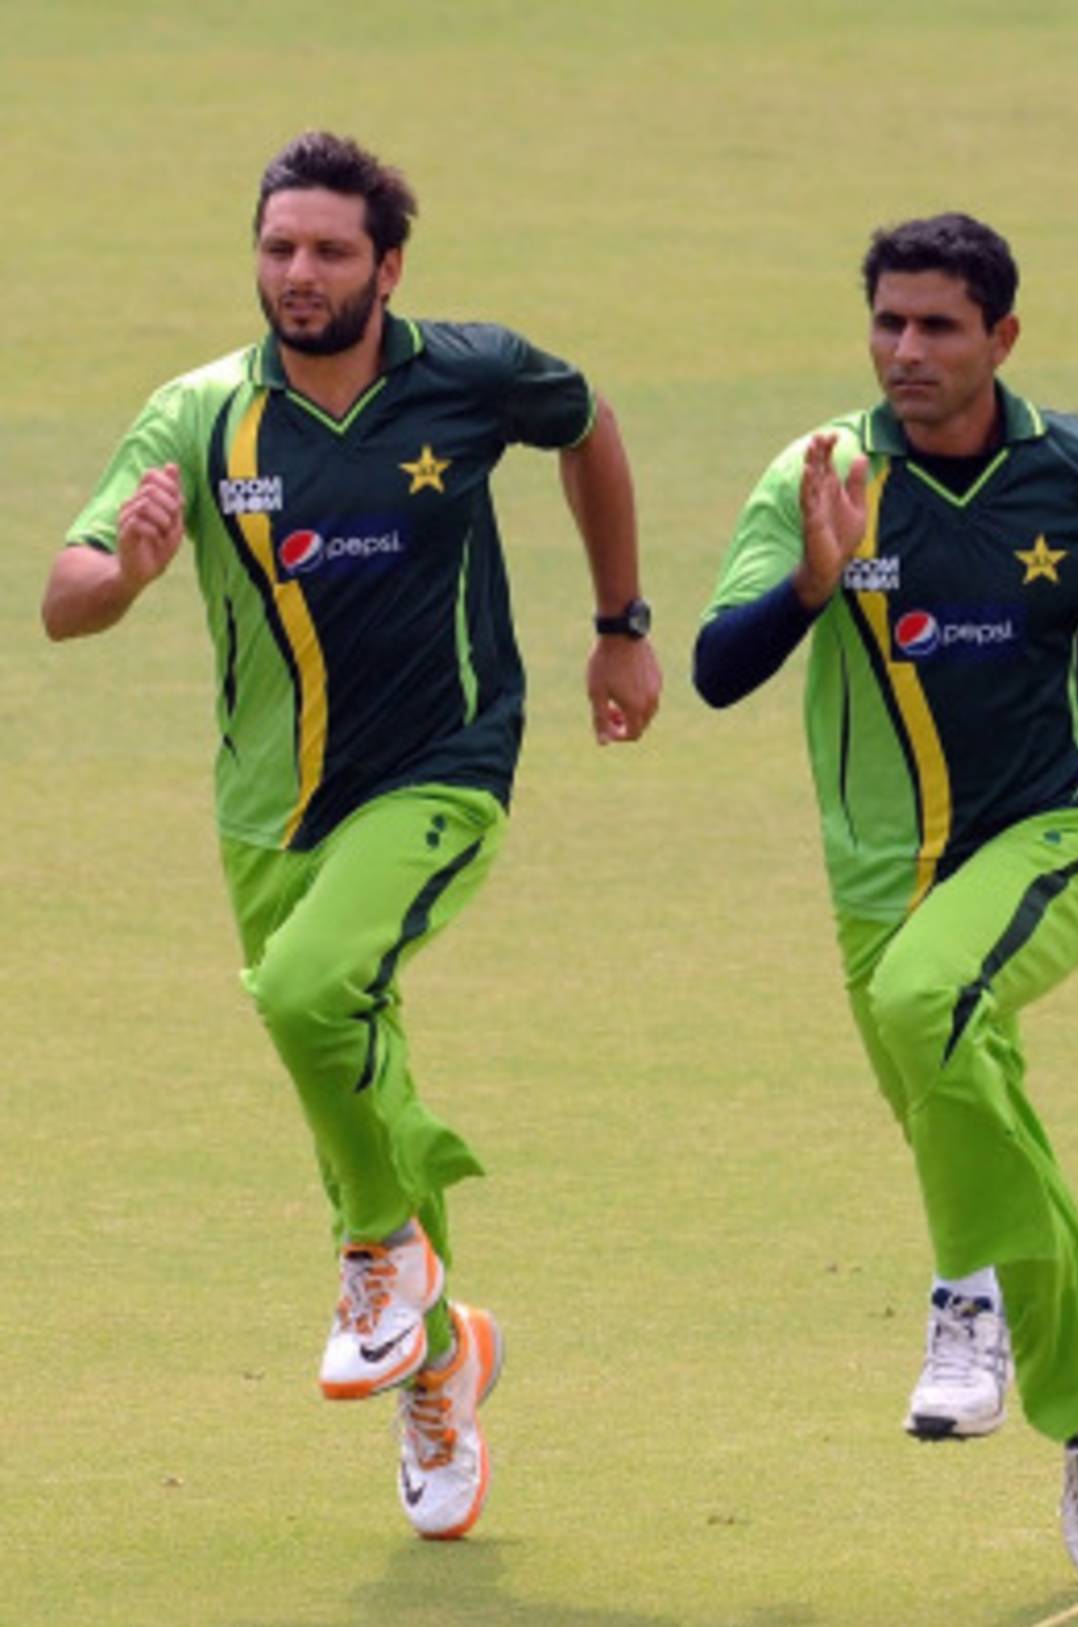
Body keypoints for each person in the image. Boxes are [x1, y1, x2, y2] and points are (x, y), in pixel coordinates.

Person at [43, 130, 662, 1541]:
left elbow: (591, 429)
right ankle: (441, 1365)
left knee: (315, 993)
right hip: (267, 812)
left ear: (388, 265)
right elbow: (63, 595)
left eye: (327, 250)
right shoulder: (202, 416)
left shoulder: (472, 375)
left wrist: (620, 628)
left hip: (442, 773)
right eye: (278, 248)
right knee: (346, 1071)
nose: (298, 273)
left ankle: (384, 1258)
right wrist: (131, 573)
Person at [693, 212, 1078, 1587]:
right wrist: (817, 582)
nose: (906, 351)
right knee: (980, 1118)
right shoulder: (820, 478)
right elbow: (715, 668)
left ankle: (966, 1302)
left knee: (932, 1005)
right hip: (882, 878)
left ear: (1003, 337)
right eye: (887, 322)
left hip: (1063, 836)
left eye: (939, 326)